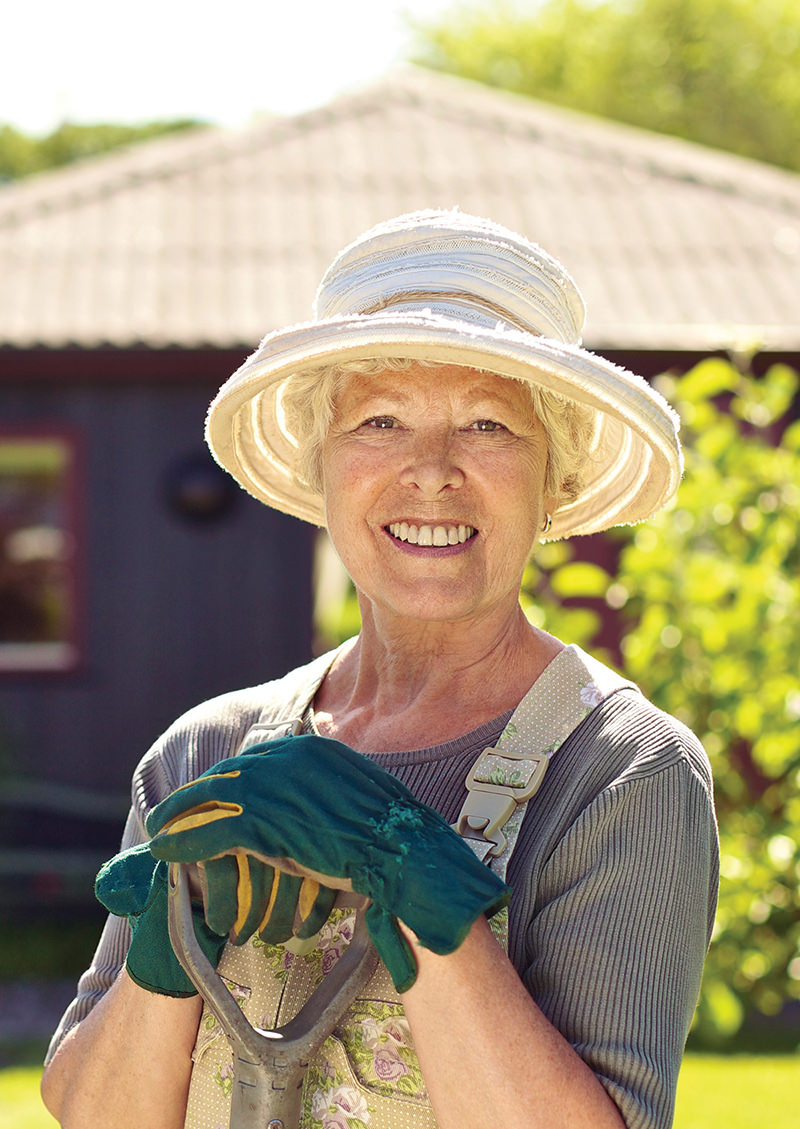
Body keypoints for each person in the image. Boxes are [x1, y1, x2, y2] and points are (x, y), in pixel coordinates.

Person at [41, 209, 718, 1129]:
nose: (431, 471)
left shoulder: (622, 771)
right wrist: (167, 959)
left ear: (554, 482)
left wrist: (423, 886)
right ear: (322, 467)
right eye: (380, 419)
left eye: (487, 424)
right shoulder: (202, 754)